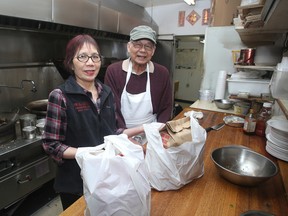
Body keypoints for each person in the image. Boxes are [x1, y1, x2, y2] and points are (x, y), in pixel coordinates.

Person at [42, 34, 143, 210]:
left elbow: (111, 132)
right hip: (75, 182)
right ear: (70, 63)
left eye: (95, 57)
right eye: (82, 56)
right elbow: (51, 144)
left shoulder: (107, 93)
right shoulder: (60, 96)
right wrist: (85, 153)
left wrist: (143, 129)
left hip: (105, 178)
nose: (90, 63)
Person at [104, 25, 173, 130]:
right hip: (121, 131)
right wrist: (125, 135)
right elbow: (113, 108)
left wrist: (157, 132)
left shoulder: (162, 73)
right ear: (129, 47)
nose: (142, 50)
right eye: (137, 45)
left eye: (148, 46)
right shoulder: (114, 71)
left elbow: (166, 107)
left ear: (153, 50)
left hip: (151, 131)